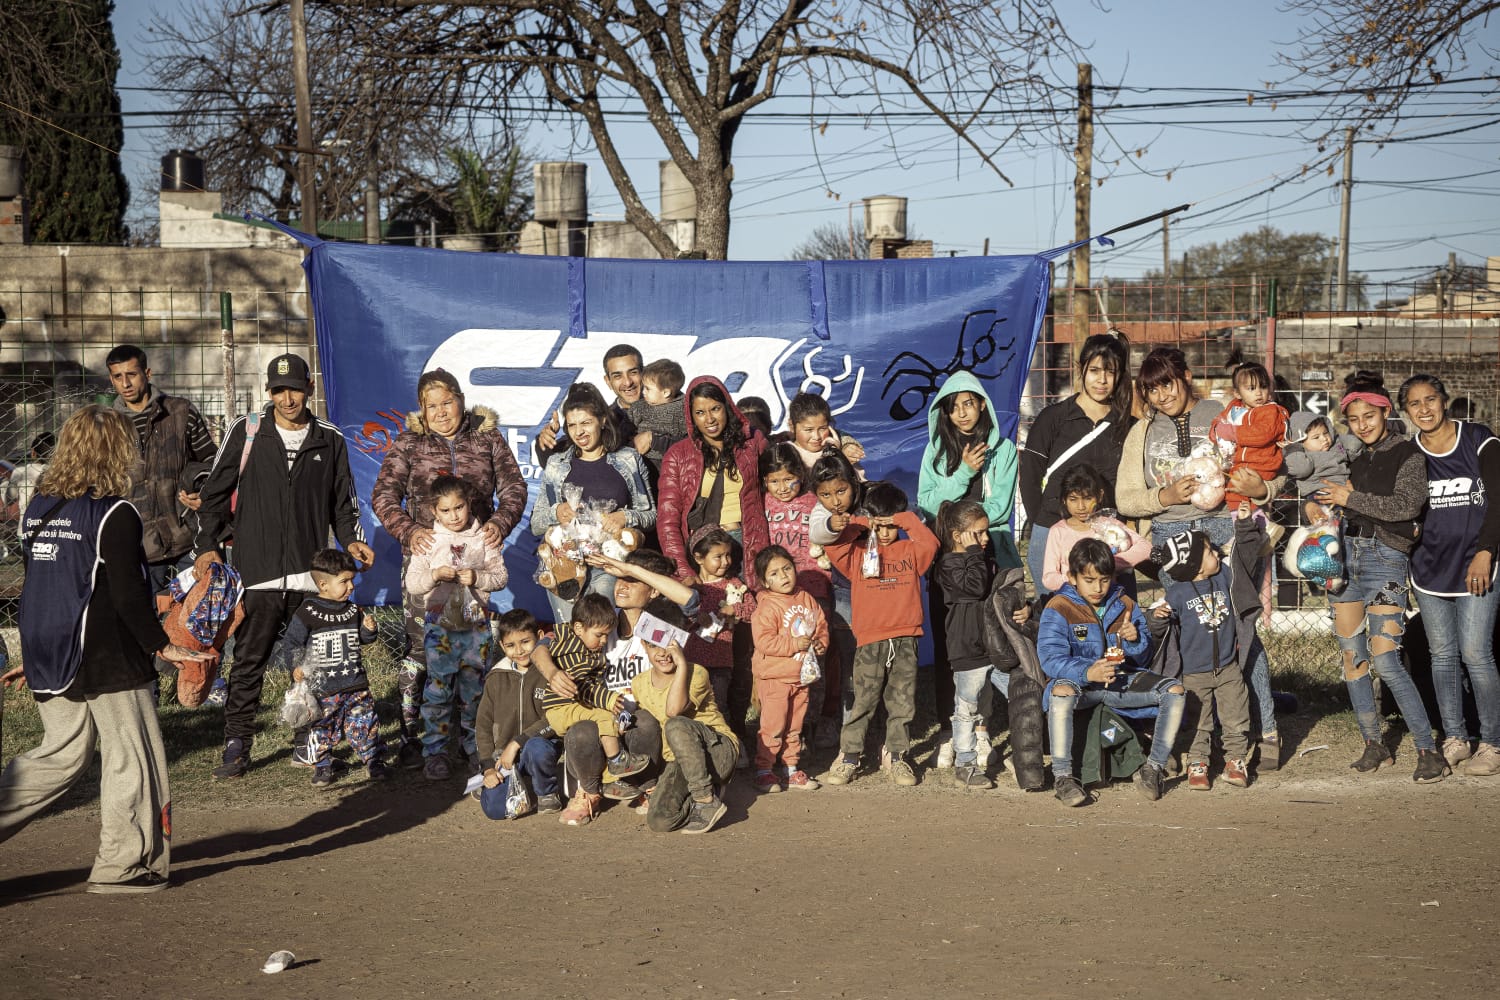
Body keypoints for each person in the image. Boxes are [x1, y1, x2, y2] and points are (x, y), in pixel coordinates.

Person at [0, 406, 207, 893]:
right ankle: (124, 866)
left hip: (48, 643)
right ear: (115, 451)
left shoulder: (39, 506)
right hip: (105, 651)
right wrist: (162, 645)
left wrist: (38, 653)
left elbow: (43, 582)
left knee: (61, 756)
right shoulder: (115, 512)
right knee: (130, 756)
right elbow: (128, 593)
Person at [194, 353, 374, 779]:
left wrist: (351, 540)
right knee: (249, 660)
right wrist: (206, 546)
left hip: (311, 577)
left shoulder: (329, 438)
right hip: (257, 573)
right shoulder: (248, 431)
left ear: (309, 388)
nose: (287, 399)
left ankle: (308, 741)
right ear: (268, 392)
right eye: (278, 390)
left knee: (313, 664)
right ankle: (237, 744)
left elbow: (343, 504)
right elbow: (213, 495)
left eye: (294, 389)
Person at [1114, 347, 1287, 769]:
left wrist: (1262, 490)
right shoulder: (1142, 432)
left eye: (1168, 384)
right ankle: (1188, 737)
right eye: (1152, 390)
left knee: (1241, 629)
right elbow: (1125, 498)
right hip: (1173, 536)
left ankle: (1264, 729)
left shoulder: (1223, 412)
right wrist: (1165, 496)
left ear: (1186, 377)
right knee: (1183, 633)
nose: (1162, 396)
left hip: (1226, 529)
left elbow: (1273, 465)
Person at [371, 367, 527, 766]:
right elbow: (384, 494)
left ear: (461, 400)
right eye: (431, 406)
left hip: (475, 560)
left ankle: (472, 742)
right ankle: (415, 738)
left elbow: (514, 486)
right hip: (427, 560)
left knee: (472, 656)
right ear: (421, 410)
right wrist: (409, 532)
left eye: (447, 402)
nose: (441, 412)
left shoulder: (487, 437)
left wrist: (500, 523)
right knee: (422, 651)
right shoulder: (410, 442)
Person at [1315, 371, 1445, 782]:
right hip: (1345, 558)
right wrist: (1318, 508)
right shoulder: (1351, 456)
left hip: (1384, 561)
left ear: (1385, 412)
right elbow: (1328, 497)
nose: (1362, 425)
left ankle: (1427, 749)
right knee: (1352, 660)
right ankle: (1374, 744)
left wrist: (1350, 497)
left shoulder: (1408, 454)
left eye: (1369, 416)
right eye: (1354, 419)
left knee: (1387, 660)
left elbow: (1406, 507)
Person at [1400, 373, 1500, 776]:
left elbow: (1498, 500)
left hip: (1477, 564)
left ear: (1444, 401)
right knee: (1442, 656)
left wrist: (1485, 552)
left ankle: (1492, 743)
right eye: (1414, 404)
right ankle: (1456, 737)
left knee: (1476, 654)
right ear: (1406, 412)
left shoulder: (1478, 439)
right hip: (1430, 569)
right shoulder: (1409, 454)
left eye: (1430, 400)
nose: (1424, 409)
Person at [1036, 538, 1185, 807]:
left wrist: (1134, 640)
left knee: (1174, 691)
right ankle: (1063, 777)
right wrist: (1087, 672)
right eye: (1089, 580)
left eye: (1104, 580)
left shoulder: (1125, 603)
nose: (1098, 588)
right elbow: (1050, 659)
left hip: (1119, 682)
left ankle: (1153, 768)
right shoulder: (1058, 607)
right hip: (1080, 685)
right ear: (1072, 577)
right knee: (1060, 692)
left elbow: (1143, 658)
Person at [823, 482, 939, 787]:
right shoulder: (859, 553)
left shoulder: (911, 550)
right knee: (863, 700)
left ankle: (896, 755)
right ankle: (849, 755)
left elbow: (930, 544)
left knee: (902, 702)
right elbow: (834, 547)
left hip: (905, 638)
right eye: (880, 525)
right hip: (870, 640)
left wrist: (905, 519)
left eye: (891, 525)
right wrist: (863, 523)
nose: (885, 532)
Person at [403, 474, 509, 779]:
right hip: (440, 631)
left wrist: (478, 578)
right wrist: (435, 575)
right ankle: (435, 752)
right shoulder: (428, 542)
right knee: (438, 691)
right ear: (434, 511)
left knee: (474, 693)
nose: (454, 516)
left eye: (459, 507)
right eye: (445, 510)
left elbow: (501, 577)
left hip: (476, 630)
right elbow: (413, 584)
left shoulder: (484, 538)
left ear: (469, 504)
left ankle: (475, 749)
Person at [1150, 509, 1263, 792]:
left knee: (1236, 715)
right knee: (1198, 721)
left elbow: (1245, 557)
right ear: (1196, 567)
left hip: (1228, 667)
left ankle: (1235, 760)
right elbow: (1158, 628)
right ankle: (1197, 762)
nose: (1217, 553)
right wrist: (1158, 618)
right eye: (1210, 552)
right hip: (1193, 673)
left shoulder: (1225, 577)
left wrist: (1245, 526)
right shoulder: (1177, 593)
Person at [1018, 332, 1135, 598]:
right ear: (1080, 368)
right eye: (1094, 370)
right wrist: (1043, 526)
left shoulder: (1127, 426)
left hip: (1107, 537)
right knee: (1057, 611)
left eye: (1110, 372)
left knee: (1115, 613)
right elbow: (1030, 476)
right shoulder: (1053, 418)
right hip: (1052, 531)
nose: (1102, 380)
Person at [530, 383, 656, 625]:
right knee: (570, 635)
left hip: (609, 564)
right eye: (572, 425)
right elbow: (536, 523)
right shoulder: (556, 464)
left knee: (599, 631)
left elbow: (651, 515)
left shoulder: (628, 460)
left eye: (586, 423)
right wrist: (557, 512)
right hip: (563, 567)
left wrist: (625, 517)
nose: (579, 432)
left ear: (602, 420)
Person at [105, 344, 219, 593]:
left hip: (187, 536)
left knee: (199, 611)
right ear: (111, 379)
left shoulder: (180, 411)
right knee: (146, 613)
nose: (125, 383)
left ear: (147, 373)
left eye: (132, 374)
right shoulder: (107, 425)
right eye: (118, 377)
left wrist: (201, 491)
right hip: (137, 543)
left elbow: (211, 462)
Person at [541, 593, 662, 826]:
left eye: (607, 635)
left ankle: (639, 785)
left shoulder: (651, 626)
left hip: (588, 705)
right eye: (599, 635)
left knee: (642, 722)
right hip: (566, 707)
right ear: (578, 628)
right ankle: (609, 768)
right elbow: (580, 687)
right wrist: (608, 699)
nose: (604, 640)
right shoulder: (575, 649)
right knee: (599, 721)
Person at [280, 548, 390, 789]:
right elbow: (292, 642)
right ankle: (322, 764)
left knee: (365, 723)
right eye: (344, 581)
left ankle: (373, 759)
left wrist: (368, 630)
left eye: (352, 580)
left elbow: (363, 639)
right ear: (323, 584)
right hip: (324, 688)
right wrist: (296, 666)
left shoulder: (352, 609)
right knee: (323, 727)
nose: (351, 586)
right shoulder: (307, 611)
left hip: (356, 684)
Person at [934, 499, 1020, 790]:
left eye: (986, 532)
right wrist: (974, 554)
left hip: (992, 646)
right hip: (966, 648)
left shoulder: (983, 560)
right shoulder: (948, 564)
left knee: (1016, 695)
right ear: (958, 535)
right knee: (966, 708)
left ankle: (1023, 754)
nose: (985, 539)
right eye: (979, 533)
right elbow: (973, 588)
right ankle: (965, 764)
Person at [630, 614, 739, 835]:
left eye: (670, 644)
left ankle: (706, 800)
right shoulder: (639, 683)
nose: (663, 653)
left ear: (681, 642)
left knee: (676, 724)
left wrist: (681, 665)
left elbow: (673, 711)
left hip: (718, 752)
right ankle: (709, 790)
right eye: (654, 645)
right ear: (644, 644)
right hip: (681, 762)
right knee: (660, 821)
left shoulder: (696, 672)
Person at [656, 375, 770, 584]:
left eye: (715, 409)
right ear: (691, 416)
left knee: (750, 602)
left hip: (749, 542)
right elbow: (668, 518)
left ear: (727, 407)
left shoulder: (752, 443)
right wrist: (683, 569)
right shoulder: (678, 455)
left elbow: (777, 480)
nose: (709, 419)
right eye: (700, 412)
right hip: (705, 551)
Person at [760, 442, 834, 742]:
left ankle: (810, 724)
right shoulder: (762, 503)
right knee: (783, 660)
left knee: (814, 658)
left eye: (789, 479)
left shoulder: (815, 501)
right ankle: (780, 726)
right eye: (774, 481)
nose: (782, 488)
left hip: (814, 591)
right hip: (777, 599)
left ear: (801, 476)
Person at [749, 545, 829, 793]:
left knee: (795, 726)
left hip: (801, 677)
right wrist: (794, 644)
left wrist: (820, 644)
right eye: (774, 573)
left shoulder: (806, 598)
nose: (783, 576)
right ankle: (764, 770)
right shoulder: (767, 606)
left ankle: (790, 769)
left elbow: (821, 626)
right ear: (765, 582)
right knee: (773, 726)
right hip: (775, 677)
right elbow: (764, 641)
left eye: (787, 569)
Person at [475, 609, 562, 819]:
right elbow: (483, 725)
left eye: (525, 641)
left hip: (541, 746)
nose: (519, 650)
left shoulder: (550, 672)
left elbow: (555, 717)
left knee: (537, 748)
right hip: (504, 757)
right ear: (501, 645)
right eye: (511, 645)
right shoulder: (496, 677)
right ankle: (495, 784)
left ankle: (547, 791)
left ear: (539, 637)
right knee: (495, 811)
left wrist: (517, 743)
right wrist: (488, 767)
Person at [806, 453, 864, 742]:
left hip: (880, 593)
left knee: (879, 660)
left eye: (841, 491)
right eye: (826, 495)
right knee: (849, 661)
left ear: (853, 482)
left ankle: (878, 723)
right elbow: (817, 531)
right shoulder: (823, 512)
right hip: (845, 594)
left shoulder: (869, 502)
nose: (835, 501)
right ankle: (850, 729)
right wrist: (832, 525)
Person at [1039, 464, 1151, 596]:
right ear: (1064, 500)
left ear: (1100, 496)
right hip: (1075, 602)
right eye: (1073, 499)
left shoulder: (1108, 526)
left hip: (1109, 600)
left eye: (1088, 498)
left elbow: (1146, 547)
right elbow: (1049, 578)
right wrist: (1078, 577)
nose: (1081, 506)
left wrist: (1110, 563)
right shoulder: (1058, 532)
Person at [683, 525, 754, 710]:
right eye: (718, 557)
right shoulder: (690, 587)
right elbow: (676, 616)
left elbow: (753, 610)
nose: (725, 562)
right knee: (691, 705)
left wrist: (734, 609)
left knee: (717, 706)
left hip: (721, 662)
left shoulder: (733, 584)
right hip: (691, 661)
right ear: (698, 558)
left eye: (728, 555)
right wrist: (695, 616)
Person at [1210, 362, 1290, 512]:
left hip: (1262, 462)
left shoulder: (1270, 410)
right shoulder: (1234, 407)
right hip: (1240, 462)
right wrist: (1215, 430)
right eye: (1251, 388)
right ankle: (1244, 521)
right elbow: (1220, 421)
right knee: (1233, 492)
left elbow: (1262, 435)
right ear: (1237, 393)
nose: (1259, 393)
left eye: (1263, 387)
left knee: (1243, 494)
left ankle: (1255, 520)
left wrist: (1232, 432)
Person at [784, 392, 866, 477]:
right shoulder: (785, 456)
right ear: (792, 426)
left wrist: (844, 450)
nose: (817, 437)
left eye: (822, 428)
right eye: (809, 430)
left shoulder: (837, 445)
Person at [627, 358, 688, 472]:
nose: (643, 392)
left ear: (666, 392)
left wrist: (656, 440)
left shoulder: (683, 409)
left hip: (670, 464)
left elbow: (688, 442)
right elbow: (627, 427)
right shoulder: (639, 407)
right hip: (639, 460)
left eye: (648, 389)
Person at [3, 431, 54, 521]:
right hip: (54, 525)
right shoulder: (59, 474)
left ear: (33, 453)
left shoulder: (20, 472)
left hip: (26, 525)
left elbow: (9, 500)